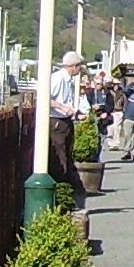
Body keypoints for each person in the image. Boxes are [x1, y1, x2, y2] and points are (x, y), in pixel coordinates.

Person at [49, 51, 87, 199]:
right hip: (57, 122)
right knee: (60, 157)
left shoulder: (69, 80)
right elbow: (44, 97)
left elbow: (67, 102)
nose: (80, 70)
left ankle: (65, 190)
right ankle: (60, 193)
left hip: (66, 121)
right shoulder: (57, 79)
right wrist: (61, 107)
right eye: (80, 66)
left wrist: (75, 113)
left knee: (67, 154)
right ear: (74, 66)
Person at [85, 77, 114, 153]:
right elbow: (86, 104)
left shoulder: (107, 93)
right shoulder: (90, 93)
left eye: (101, 84)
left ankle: (100, 153)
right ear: (94, 84)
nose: (100, 85)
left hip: (103, 117)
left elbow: (111, 105)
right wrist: (92, 107)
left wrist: (106, 112)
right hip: (93, 116)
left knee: (102, 137)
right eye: (97, 84)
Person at [108, 79, 126, 151]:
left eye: (117, 84)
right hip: (111, 111)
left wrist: (123, 110)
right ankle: (110, 142)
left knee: (117, 127)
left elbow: (125, 102)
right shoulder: (109, 93)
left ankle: (116, 143)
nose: (116, 86)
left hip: (119, 111)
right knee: (111, 127)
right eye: (114, 84)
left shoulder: (122, 94)